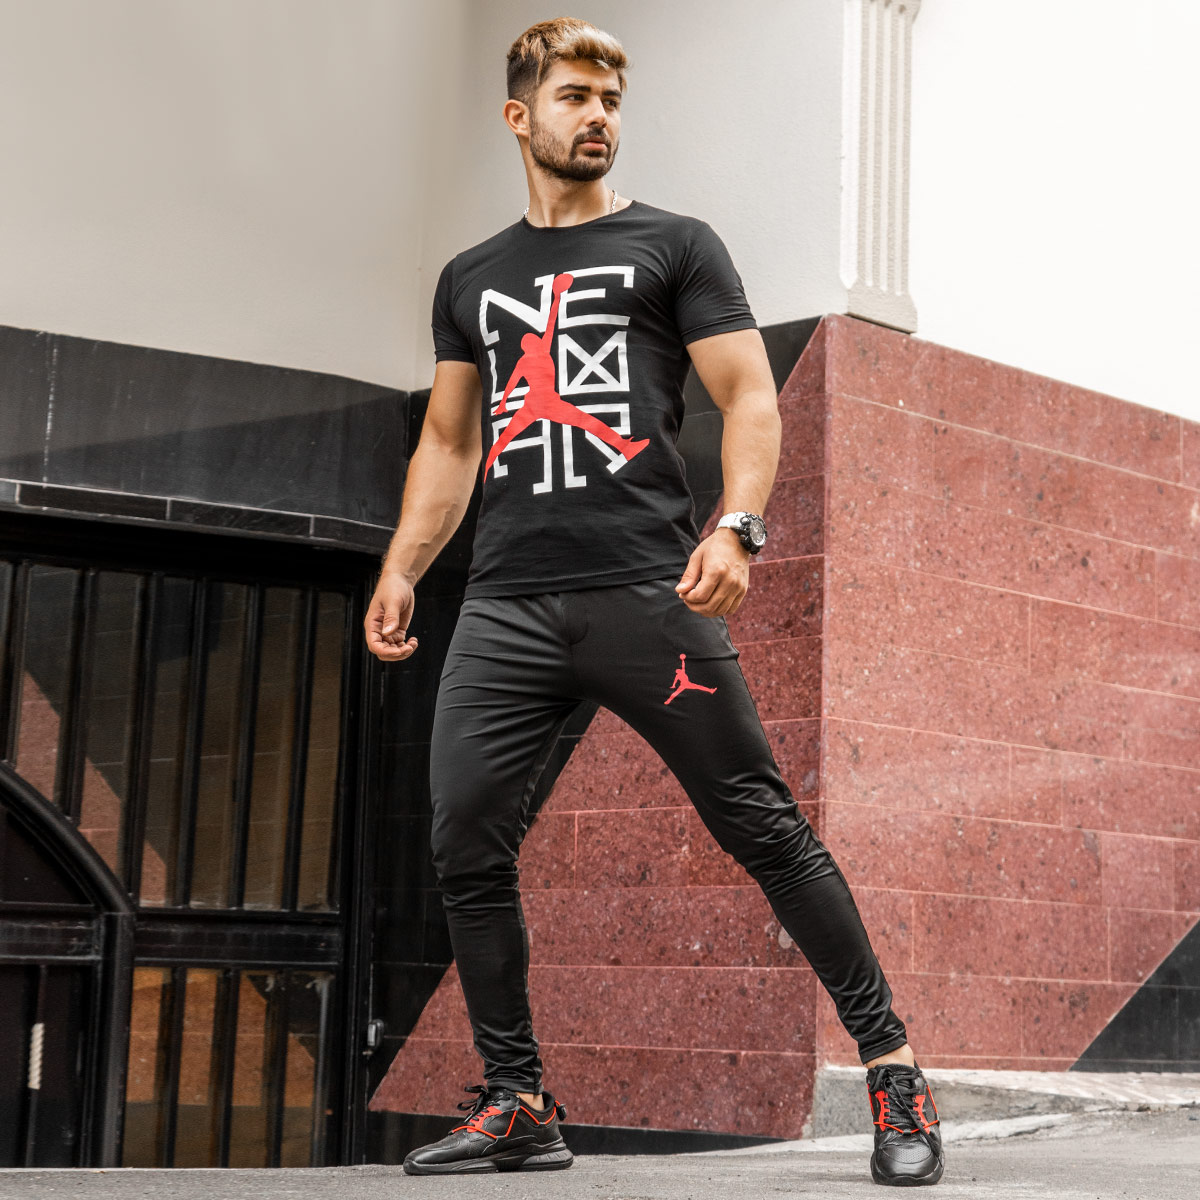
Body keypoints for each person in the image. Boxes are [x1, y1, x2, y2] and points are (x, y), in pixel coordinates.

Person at [364, 17, 944, 1187]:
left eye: (611, 101)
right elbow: (450, 441)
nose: (599, 117)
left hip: (645, 592)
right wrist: (403, 564)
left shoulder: (674, 245)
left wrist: (739, 524)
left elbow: (750, 398)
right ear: (520, 116)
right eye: (574, 96)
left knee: (762, 825)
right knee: (466, 839)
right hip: (508, 605)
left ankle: (892, 1068)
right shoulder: (470, 278)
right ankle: (520, 1102)